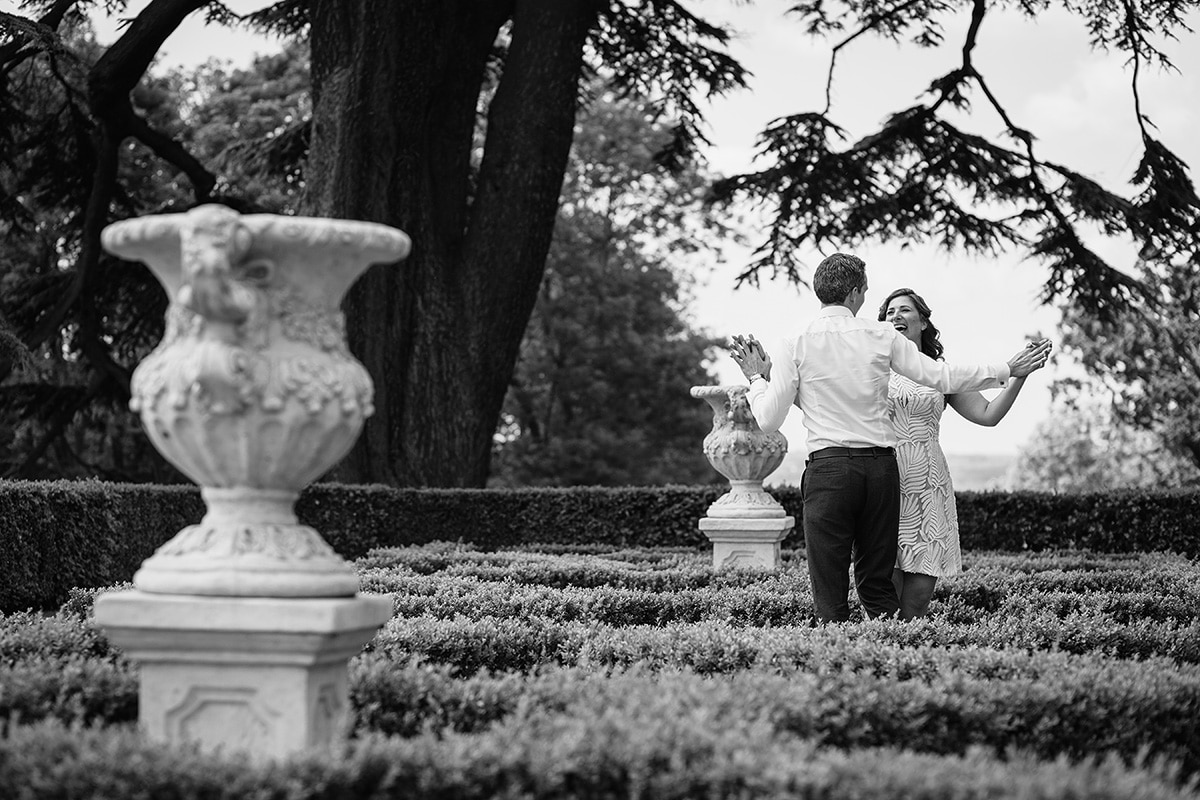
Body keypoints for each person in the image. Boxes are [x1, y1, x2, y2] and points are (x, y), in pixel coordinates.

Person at [729, 253, 1050, 623]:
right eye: (865, 289)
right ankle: (897, 652)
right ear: (854, 294)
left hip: (831, 470)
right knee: (877, 582)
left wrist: (758, 379)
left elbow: (769, 419)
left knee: (830, 584)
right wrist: (1005, 369)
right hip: (883, 471)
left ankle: (838, 664)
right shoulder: (879, 335)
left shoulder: (793, 342)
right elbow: (941, 377)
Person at [879, 287, 1045, 620]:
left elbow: (988, 414)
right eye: (889, 312)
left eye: (904, 310)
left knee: (920, 593)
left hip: (928, 485)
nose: (895, 316)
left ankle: (914, 656)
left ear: (923, 322)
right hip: (884, 480)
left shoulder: (942, 373)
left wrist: (1018, 376)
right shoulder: (873, 370)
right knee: (885, 587)